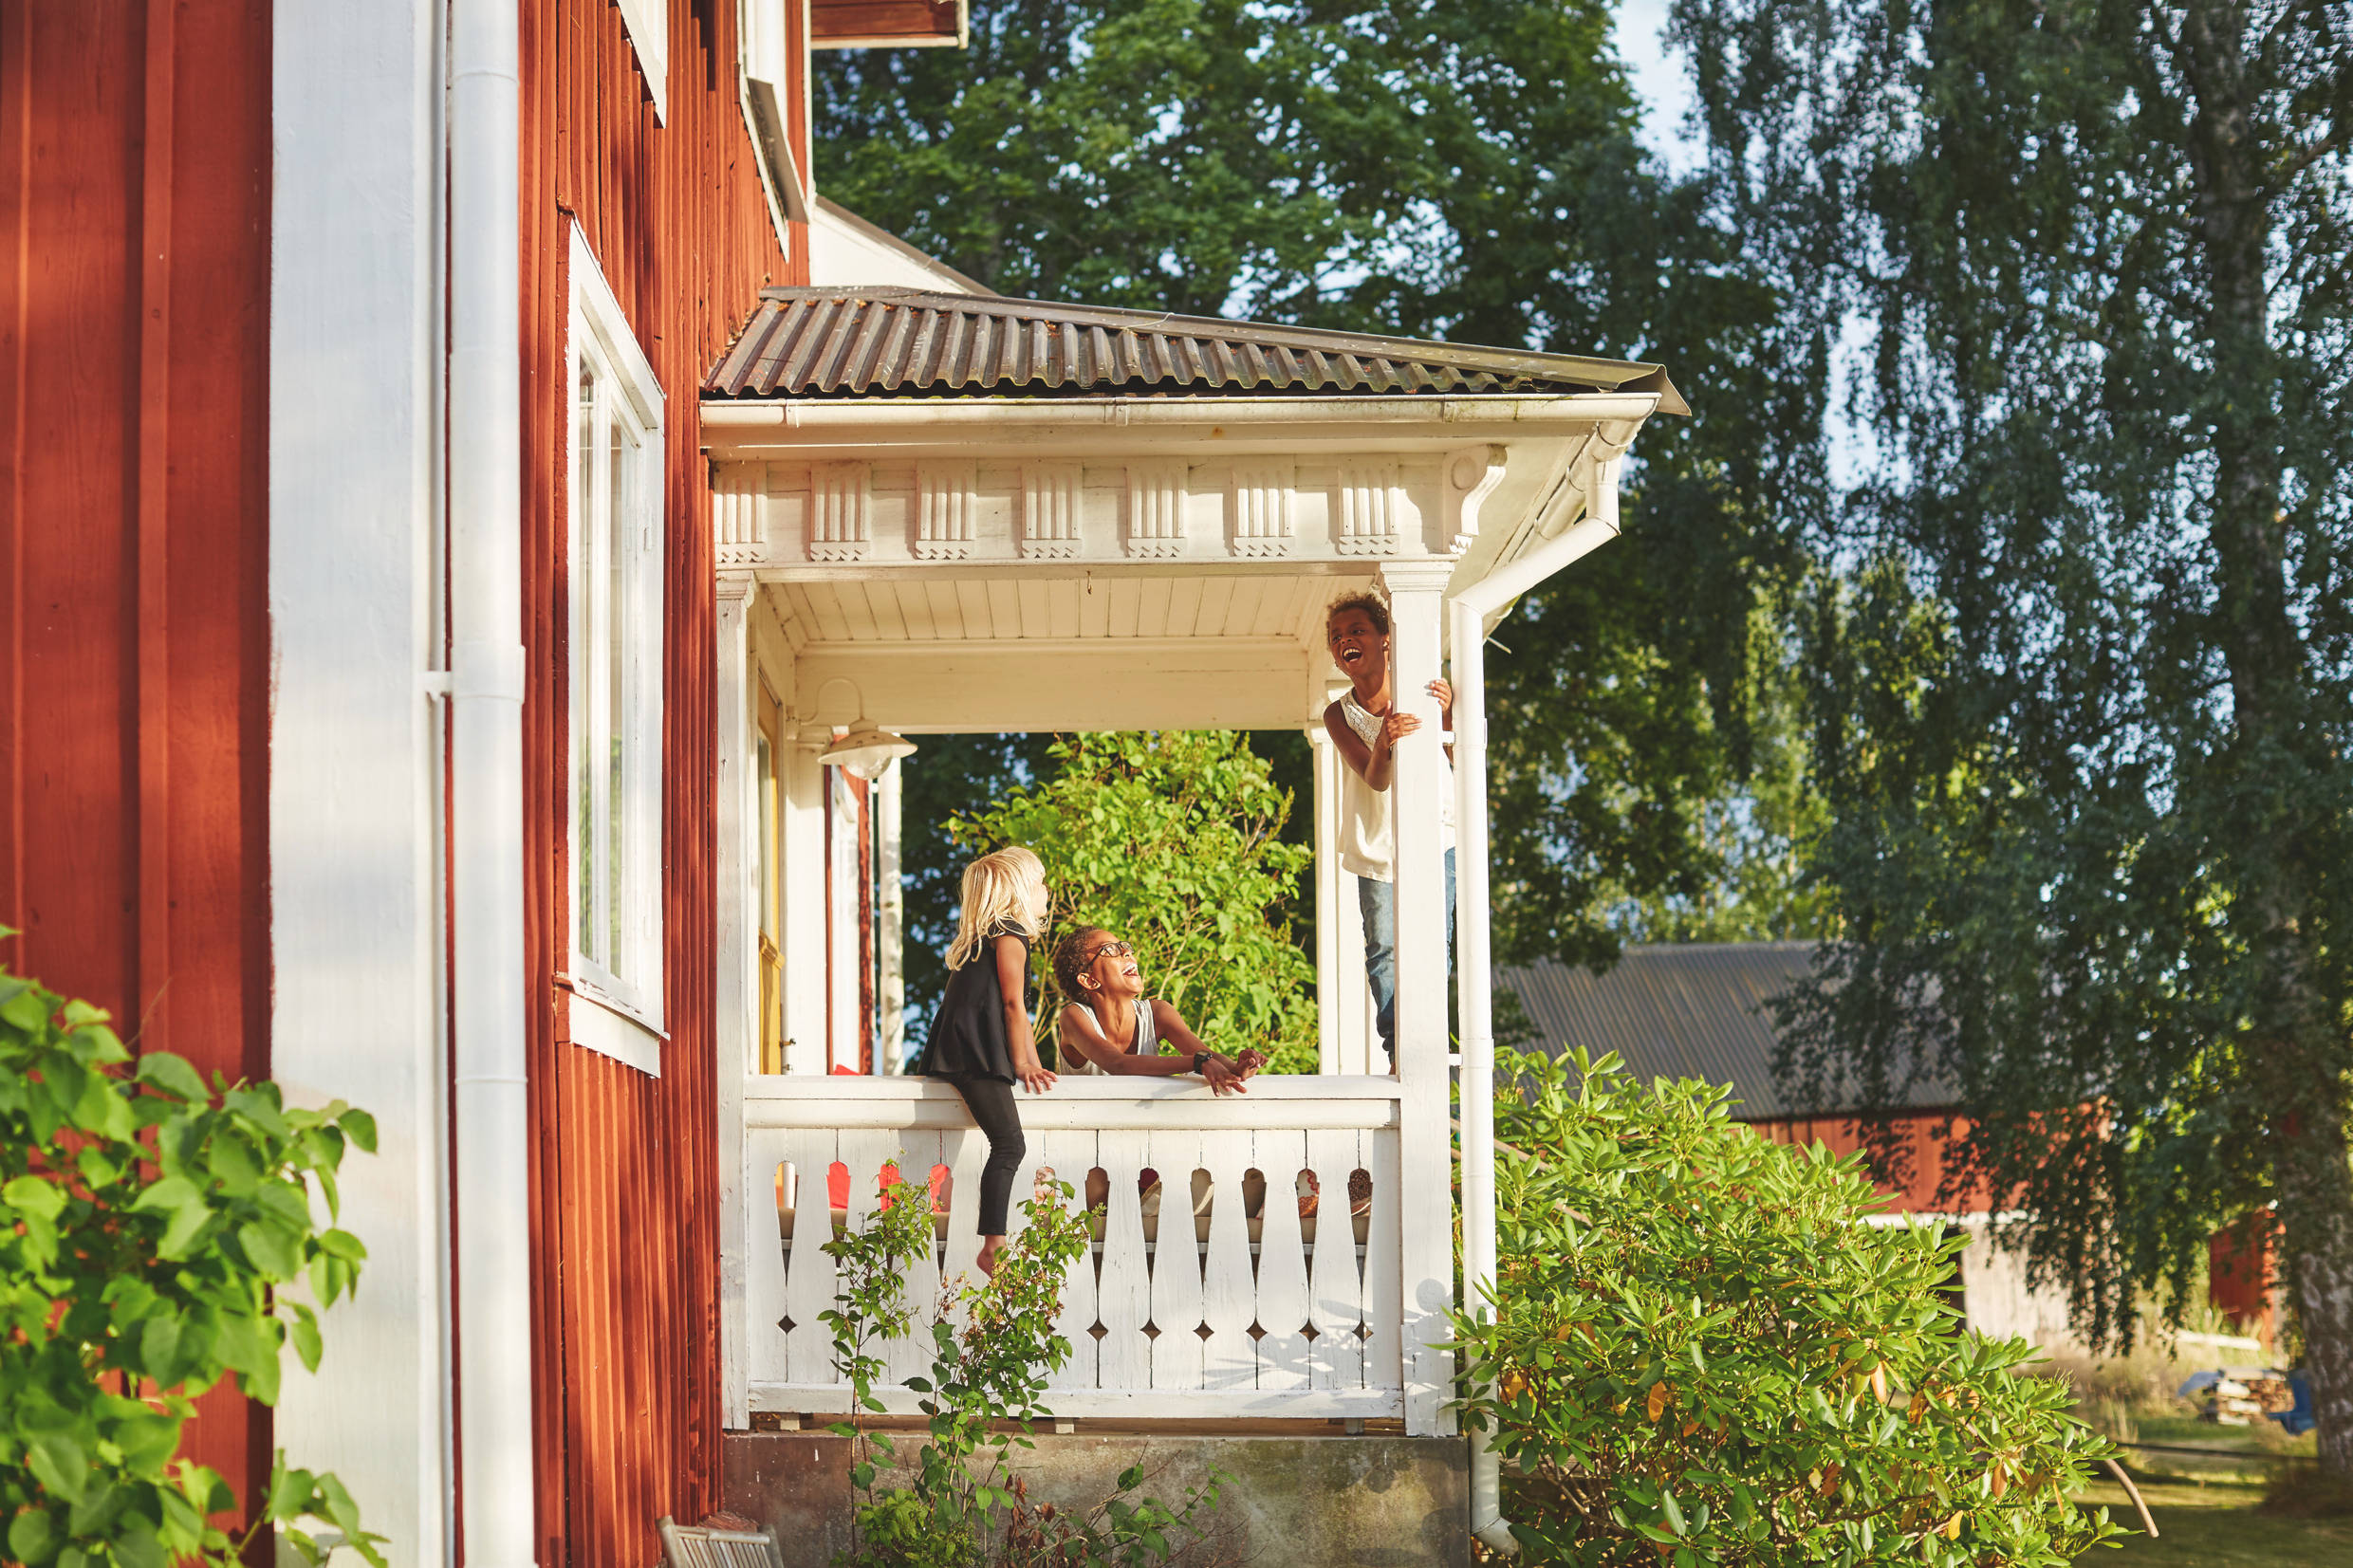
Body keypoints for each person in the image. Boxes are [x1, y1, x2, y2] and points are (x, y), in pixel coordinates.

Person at [1322, 590, 1455, 1062]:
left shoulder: (1420, 689)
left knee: (1434, 938)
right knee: (1384, 948)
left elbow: (1455, 757)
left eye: (1356, 631)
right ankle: (1400, 1046)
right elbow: (1375, 779)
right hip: (1376, 844)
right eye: (1336, 637)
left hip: (1435, 833)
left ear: (1384, 640)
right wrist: (1385, 739)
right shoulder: (1338, 714)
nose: (1345, 641)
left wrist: (1451, 708)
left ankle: (1430, 1039)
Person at [922, 845, 1055, 1275]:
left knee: (1000, 1143)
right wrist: (1023, 1064)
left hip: (960, 1049)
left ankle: (991, 1241)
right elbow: (1014, 1006)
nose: (1047, 892)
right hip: (977, 1054)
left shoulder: (982, 940)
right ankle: (992, 1245)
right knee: (1010, 1144)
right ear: (1020, 894)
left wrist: (1032, 1059)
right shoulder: (1010, 937)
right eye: (1040, 885)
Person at [1049, 927, 1266, 1091]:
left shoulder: (1158, 1013)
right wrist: (1199, 1062)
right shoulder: (1074, 1017)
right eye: (1111, 949)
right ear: (1089, 981)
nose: (1126, 952)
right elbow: (1117, 1064)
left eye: (1125, 947)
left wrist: (1239, 1067)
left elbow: (1210, 1057)